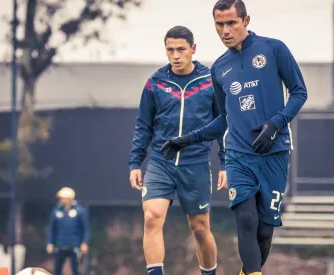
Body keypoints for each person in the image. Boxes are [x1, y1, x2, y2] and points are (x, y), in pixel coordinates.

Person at [159, 1, 308, 274]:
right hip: (239, 155)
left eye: (231, 23)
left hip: (275, 153)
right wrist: (186, 139)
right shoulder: (219, 68)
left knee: (265, 229)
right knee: (247, 220)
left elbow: (300, 92)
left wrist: (275, 125)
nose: (225, 30)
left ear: (246, 21)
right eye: (219, 24)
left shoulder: (274, 49)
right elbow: (224, 120)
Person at [128, 26, 226, 275]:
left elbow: (224, 124)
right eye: (170, 50)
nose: (175, 55)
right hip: (161, 162)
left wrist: (226, 164)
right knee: (151, 217)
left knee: (200, 229)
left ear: (193, 49)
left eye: (181, 49)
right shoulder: (156, 82)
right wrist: (135, 163)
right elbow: (143, 125)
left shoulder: (209, 82)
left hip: (196, 164)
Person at [46, 187, 89, 275]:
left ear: (70, 199)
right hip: (60, 244)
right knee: (57, 269)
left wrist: (84, 242)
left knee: (75, 269)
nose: (61, 200)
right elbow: (52, 229)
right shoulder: (56, 211)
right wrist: (50, 242)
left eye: (63, 198)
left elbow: (85, 228)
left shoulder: (79, 211)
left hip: (74, 245)